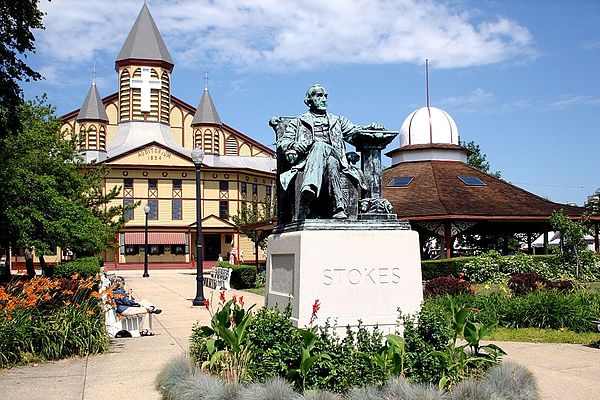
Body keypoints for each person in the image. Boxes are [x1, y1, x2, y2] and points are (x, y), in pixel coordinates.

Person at [277, 84, 384, 219]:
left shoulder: (338, 120)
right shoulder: (298, 122)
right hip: (311, 162)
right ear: (309, 100)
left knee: (321, 146)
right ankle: (338, 208)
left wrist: (371, 127)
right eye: (319, 96)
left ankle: (310, 187)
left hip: (336, 156)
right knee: (331, 162)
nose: (323, 99)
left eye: (325, 96)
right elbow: (282, 143)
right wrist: (294, 144)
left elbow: (355, 131)